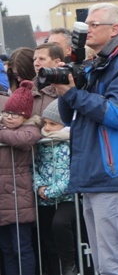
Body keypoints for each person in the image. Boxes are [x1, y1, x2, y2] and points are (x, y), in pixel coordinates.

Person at [53, 2, 118, 274]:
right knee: (102, 263)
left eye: (96, 25)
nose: (89, 29)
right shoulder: (97, 65)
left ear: (115, 29)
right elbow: (67, 116)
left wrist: (73, 94)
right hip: (95, 172)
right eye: (88, 24)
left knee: (114, 264)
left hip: (113, 169)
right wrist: (66, 86)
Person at [0, 80, 42, 275]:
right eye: (6, 112)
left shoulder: (31, 129)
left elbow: (23, 139)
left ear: (25, 116)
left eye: (15, 114)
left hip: (19, 199)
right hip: (3, 200)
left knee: (21, 248)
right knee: (7, 250)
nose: (9, 117)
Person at [33, 101, 77, 275]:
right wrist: (39, 187)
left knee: (60, 224)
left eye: (53, 123)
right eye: (45, 123)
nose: (48, 128)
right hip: (44, 199)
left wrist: (49, 192)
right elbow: (34, 166)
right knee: (47, 236)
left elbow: (71, 174)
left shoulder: (70, 143)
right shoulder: (41, 142)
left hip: (66, 198)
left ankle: (69, 265)